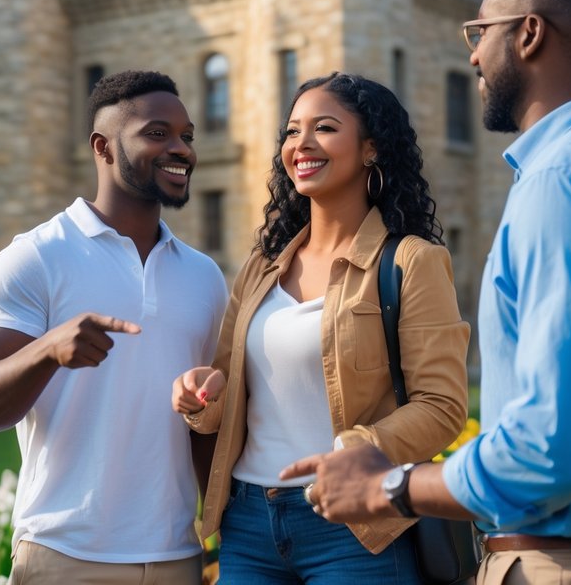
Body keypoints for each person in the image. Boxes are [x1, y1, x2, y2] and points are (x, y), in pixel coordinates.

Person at [281, 0, 571, 585]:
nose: (474, 56)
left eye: (480, 33)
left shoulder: (561, 185)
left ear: (529, 34)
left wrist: (392, 485)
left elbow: (554, 447)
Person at [173, 72, 471, 584]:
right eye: (292, 131)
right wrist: (201, 396)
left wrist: (356, 447)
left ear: (371, 148)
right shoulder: (260, 267)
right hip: (249, 526)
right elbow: (224, 391)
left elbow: (442, 407)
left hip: (356, 528)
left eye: (325, 128)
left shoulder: (412, 262)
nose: (302, 144)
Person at [0, 70, 229, 585]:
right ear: (102, 147)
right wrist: (47, 351)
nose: (181, 148)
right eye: (157, 133)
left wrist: (226, 530)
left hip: (178, 558)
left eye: (187, 135)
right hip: (65, 556)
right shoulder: (37, 256)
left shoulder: (204, 277)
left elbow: (209, 424)